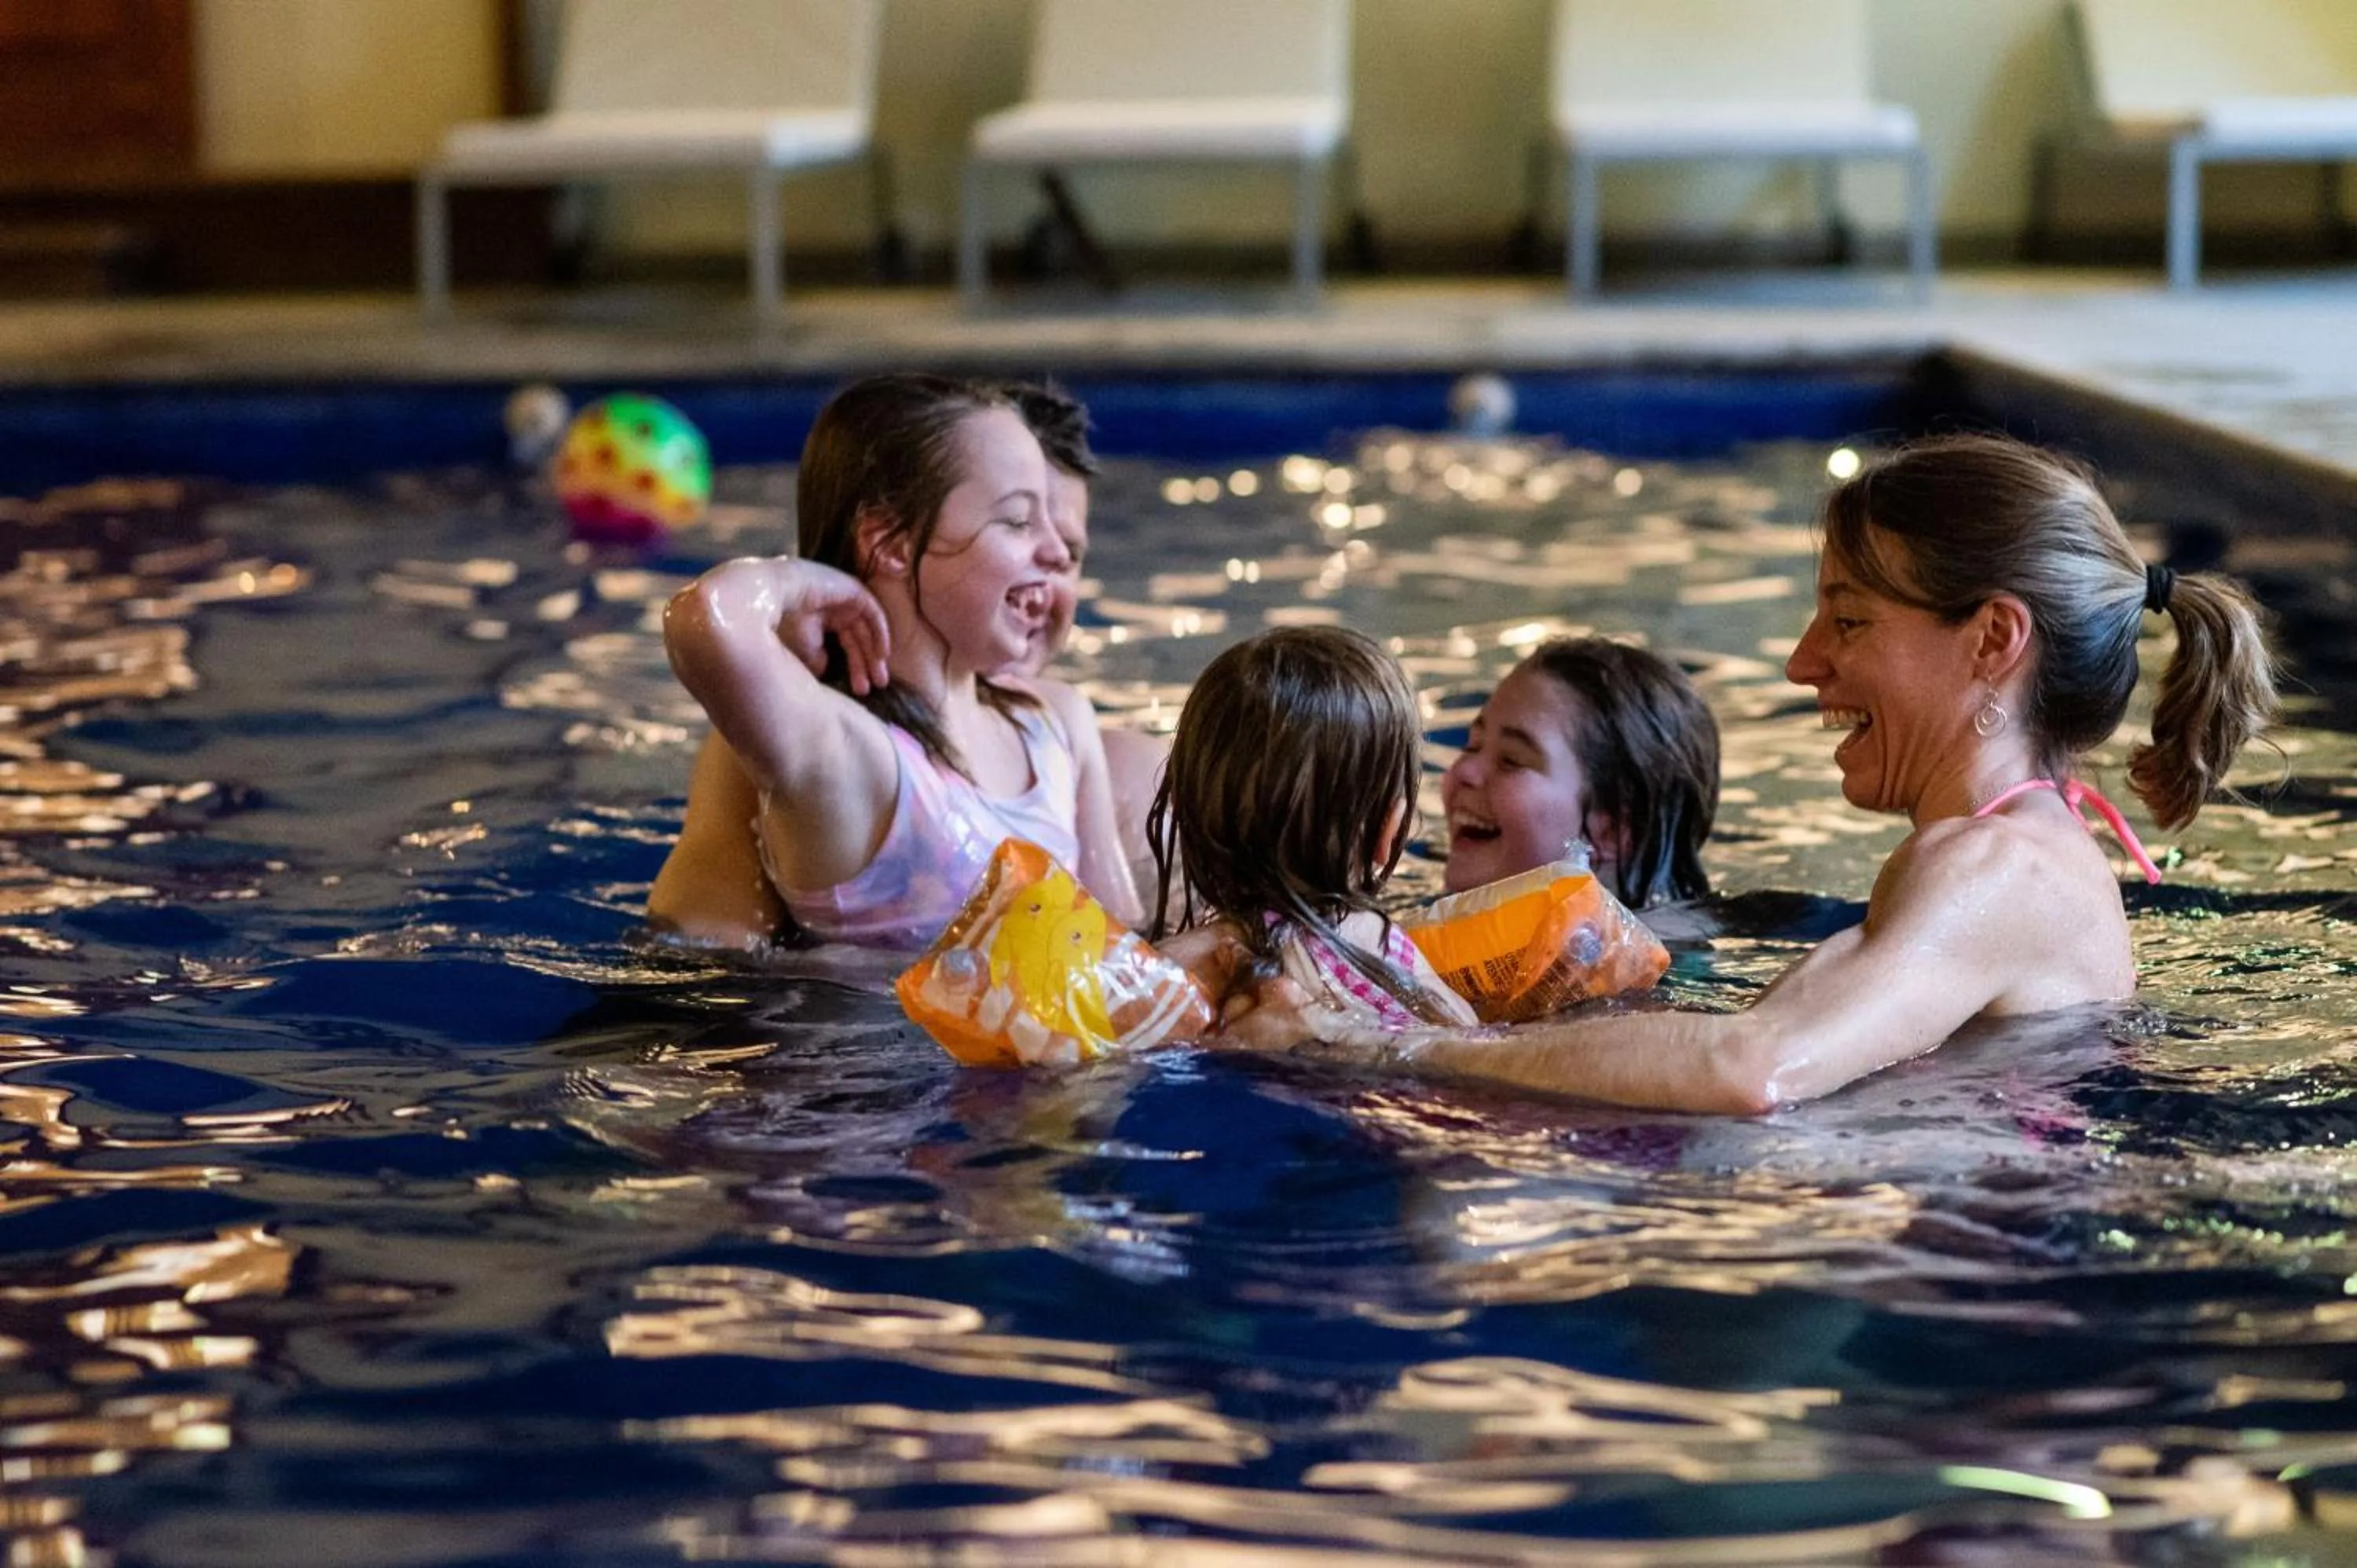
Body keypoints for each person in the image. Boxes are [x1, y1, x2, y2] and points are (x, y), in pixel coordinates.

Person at [1219, 433, 2278, 1112]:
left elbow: (1749, 1068)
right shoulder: (2001, 856)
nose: (1803, 663)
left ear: (1993, 639)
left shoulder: (1999, 870)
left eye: (1849, 622)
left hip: (1961, 1339)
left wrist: (1376, 1049)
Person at [650, 379, 1159, 950]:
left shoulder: (1056, 726)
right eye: (1018, 521)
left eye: (1071, 547)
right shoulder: (852, 757)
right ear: (889, 542)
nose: (1057, 554)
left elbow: (1125, 947)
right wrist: (802, 583)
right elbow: (707, 617)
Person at [1151, 625, 1478, 1030]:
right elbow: (1465, 1030)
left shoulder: (1173, 970)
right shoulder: (1389, 952)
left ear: (1181, 809)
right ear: (1388, 830)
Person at [1440, 636, 1719, 910]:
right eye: (1472, 746)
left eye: (1511, 761)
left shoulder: (1651, 941)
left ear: (1612, 831)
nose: (1463, 770)